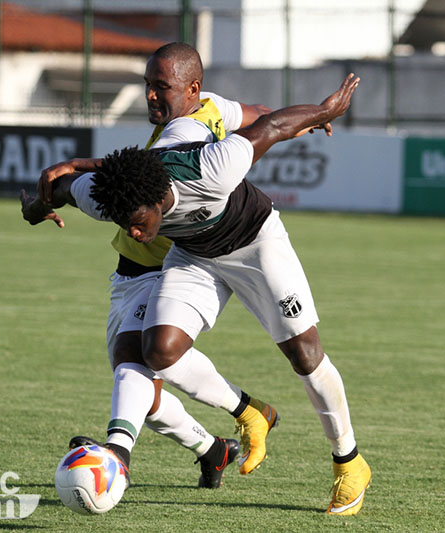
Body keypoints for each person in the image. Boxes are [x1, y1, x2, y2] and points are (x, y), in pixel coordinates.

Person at [26, 73, 371, 515]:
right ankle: (250, 412)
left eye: (138, 220)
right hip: (193, 256)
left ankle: (349, 462)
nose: (133, 231)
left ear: (157, 198)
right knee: (159, 349)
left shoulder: (213, 166)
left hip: (255, 244)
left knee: (304, 352)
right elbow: (60, 188)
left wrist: (327, 110)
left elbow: (272, 127)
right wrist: (37, 205)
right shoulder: (109, 196)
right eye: (123, 223)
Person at [22, 43, 279, 489]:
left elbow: (136, 170)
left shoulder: (189, 134)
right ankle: (213, 449)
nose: (150, 96)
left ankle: (116, 454)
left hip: (167, 268)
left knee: (134, 360)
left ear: (190, 88)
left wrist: (66, 176)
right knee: (144, 391)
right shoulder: (213, 107)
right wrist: (309, 120)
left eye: (161, 87)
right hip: (127, 274)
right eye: (147, 86)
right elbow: (258, 112)